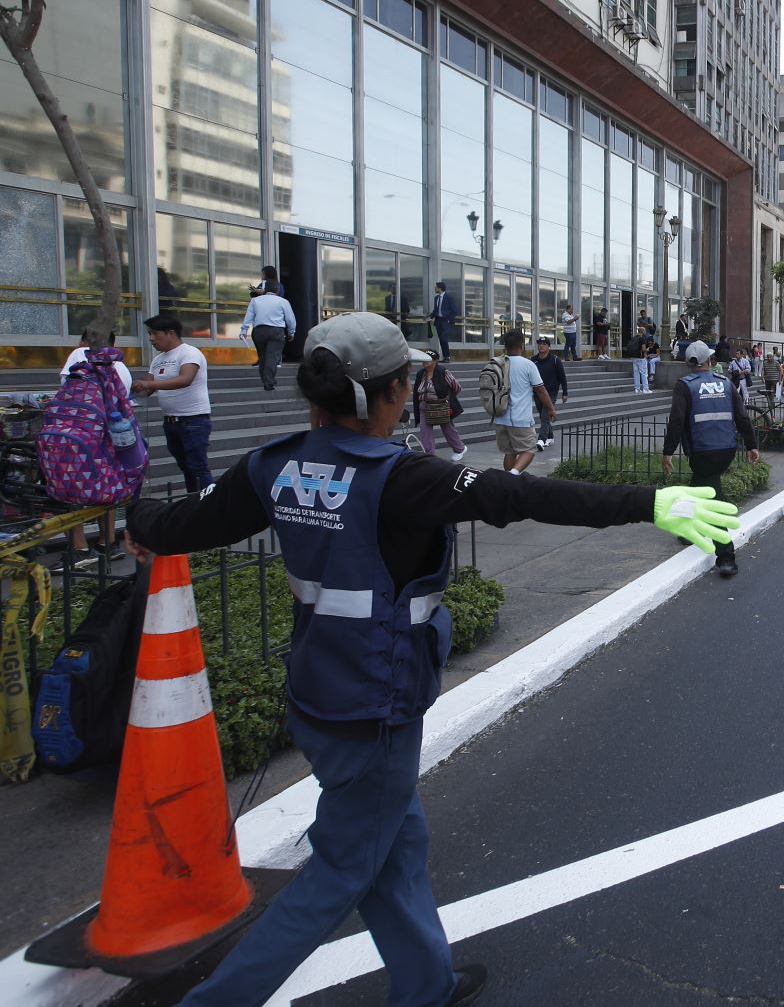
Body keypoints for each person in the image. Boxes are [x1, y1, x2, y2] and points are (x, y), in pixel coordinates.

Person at [124, 312, 737, 1007]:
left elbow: (181, 522)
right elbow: (516, 494)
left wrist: (136, 519)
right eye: (408, 382)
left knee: (394, 844)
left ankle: (425, 984)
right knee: (344, 869)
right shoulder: (398, 477)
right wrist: (648, 502)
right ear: (387, 394)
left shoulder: (272, 464)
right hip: (376, 702)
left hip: (319, 693)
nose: (413, 392)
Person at [663, 341, 758, 579]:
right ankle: (687, 530)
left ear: (688, 363)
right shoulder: (725, 382)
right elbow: (742, 416)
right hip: (727, 449)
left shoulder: (684, 385)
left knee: (713, 497)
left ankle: (726, 556)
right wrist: (751, 444)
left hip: (701, 452)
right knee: (699, 486)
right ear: (709, 360)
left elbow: (676, 420)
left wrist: (668, 451)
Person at [60, 327, 131, 567]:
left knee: (66, 485)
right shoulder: (120, 365)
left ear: (84, 342)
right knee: (106, 487)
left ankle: (79, 547)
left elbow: (66, 391)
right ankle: (108, 543)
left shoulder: (80, 355)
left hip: (80, 435)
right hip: (112, 437)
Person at [133, 314, 212, 493]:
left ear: (171, 333)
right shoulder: (157, 360)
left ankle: (209, 502)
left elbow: (186, 379)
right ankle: (194, 500)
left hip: (193, 420)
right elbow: (145, 389)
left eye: (155, 333)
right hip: (170, 422)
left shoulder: (189, 353)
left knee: (197, 467)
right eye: (149, 334)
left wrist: (150, 384)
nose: (151, 339)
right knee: (186, 467)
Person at [490, 329, 553, 474]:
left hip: (500, 417)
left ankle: (508, 480)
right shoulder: (528, 365)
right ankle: (514, 473)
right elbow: (541, 390)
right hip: (520, 418)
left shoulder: (496, 364)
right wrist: (551, 408)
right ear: (522, 345)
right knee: (529, 449)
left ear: (505, 346)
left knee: (510, 451)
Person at [412, 350, 467, 462]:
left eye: (428, 359)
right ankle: (429, 455)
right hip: (424, 407)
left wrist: (447, 398)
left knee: (448, 429)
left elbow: (456, 387)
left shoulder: (443, 371)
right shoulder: (420, 373)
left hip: (440, 405)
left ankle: (459, 449)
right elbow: (416, 391)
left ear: (435, 361)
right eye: (423, 359)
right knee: (425, 431)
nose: (424, 362)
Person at [241, 284, 298, 392]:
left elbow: (249, 316)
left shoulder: (255, 300)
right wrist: (291, 332)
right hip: (276, 331)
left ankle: (265, 379)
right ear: (277, 290)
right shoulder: (283, 301)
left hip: (259, 331)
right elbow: (290, 319)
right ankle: (269, 382)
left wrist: (244, 330)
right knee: (272, 357)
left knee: (263, 356)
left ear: (265, 290)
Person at [533, 336, 569, 450]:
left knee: (545, 416)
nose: (541, 346)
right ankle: (550, 436)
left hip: (551, 393)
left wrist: (565, 392)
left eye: (544, 344)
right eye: (540, 344)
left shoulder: (555, 360)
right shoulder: (533, 360)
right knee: (543, 416)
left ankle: (541, 440)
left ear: (549, 347)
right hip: (538, 393)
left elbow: (562, 377)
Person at [428, 281, 457, 360]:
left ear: (440, 288)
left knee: (444, 338)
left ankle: (447, 356)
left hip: (446, 321)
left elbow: (454, 310)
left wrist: (449, 320)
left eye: (436, 287)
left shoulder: (449, 297)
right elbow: (436, 310)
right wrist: (430, 317)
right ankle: (445, 356)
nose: (435, 288)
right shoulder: (436, 298)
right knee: (441, 338)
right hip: (438, 321)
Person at [625, 325, 650, 393]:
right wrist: (647, 349)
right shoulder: (642, 338)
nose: (645, 332)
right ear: (642, 331)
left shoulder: (633, 338)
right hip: (641, 358)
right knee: (644, 373)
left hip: (634, 357)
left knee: (636, 373)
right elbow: (643, 349)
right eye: (644, 330)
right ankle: (645, 389)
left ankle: (637, 389)